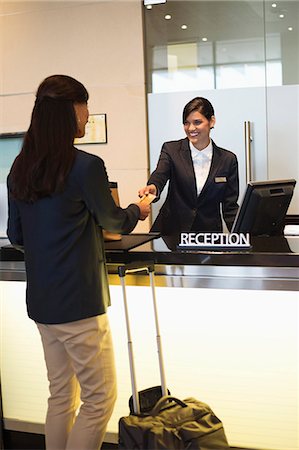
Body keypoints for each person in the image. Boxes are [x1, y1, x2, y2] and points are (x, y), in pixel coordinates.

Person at [6, 74, 150, 450]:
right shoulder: (85, 166)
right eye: (84, 105)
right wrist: (139, 209)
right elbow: (113, 221)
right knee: (99, 399)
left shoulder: (20, 167)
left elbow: (18, 235)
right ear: (70, 111)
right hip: (80, 307)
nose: (87, 115)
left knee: (60, 396)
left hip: (42, 305)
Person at [139, 97, 239, 236]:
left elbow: (230, 207)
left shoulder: (228, 160)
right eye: (186, 123)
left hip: (208, 235)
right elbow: (160, 174)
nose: (191, 128)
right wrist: (153, 187)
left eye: (197, 122)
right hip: (171, 233)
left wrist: (245, 238)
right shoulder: (171, 150)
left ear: (211, 121)